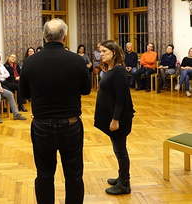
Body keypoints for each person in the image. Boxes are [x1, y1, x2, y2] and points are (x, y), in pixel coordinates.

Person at [20, 18, 91, 204]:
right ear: (64, 37)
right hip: (71, 125)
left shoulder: (30, 62)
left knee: (44, 175)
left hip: (42, 126)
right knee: (74, 175)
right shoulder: (77, 60)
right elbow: (86, 90)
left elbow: (24, 94)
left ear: (44, 37)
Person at [94, 40, 135, 195]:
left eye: (104, 51)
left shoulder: (118, 71)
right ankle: (121, 177)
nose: (101, 54)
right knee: (118, 149)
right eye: (100, 51)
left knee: (121, 150)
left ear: (114, 53)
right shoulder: (110, 69)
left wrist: (115, 119)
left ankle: (125, 184)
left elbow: (121, 98)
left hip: (119, 118)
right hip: (113, 116)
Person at [0, 53, 26, 120]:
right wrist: (0, 76)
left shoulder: (1, 65)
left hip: (5, 82)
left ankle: (16, 112)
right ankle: (8, 109)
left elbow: (7, 74)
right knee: (10, 92)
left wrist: (1, 75)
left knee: (17, 87)